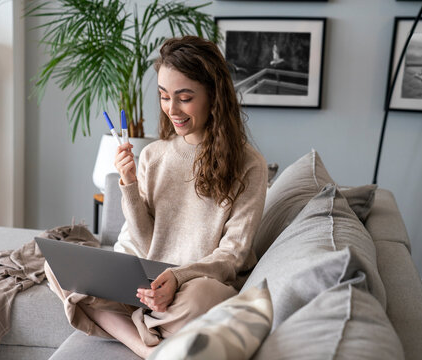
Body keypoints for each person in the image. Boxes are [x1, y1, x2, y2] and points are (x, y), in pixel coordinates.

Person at [45, 35, 267, 359]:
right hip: (145, 281)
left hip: (196, 283)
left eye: (184, 97)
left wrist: (178, 277)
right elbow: (146, 240)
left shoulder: (249, 165)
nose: (172, 109)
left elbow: (232, 255)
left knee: (200, 299)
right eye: (164, 96)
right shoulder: (155, 155)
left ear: (213, 96)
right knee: (57, 266)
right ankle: (148, 347)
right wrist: (129, 185)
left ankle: (136, 323)